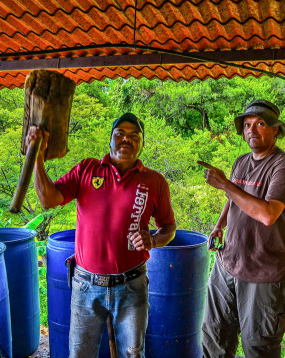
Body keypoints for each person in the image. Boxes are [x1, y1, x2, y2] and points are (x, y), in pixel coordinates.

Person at [28, 113, 176, 358]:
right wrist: (37, 157)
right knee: (80, 354)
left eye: (133, 136)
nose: (125, 140)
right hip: (86, 286)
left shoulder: (154, 182)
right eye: (119, 134)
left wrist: (155, 239)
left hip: (132, 285)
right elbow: (48, 198)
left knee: (133, 353)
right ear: (110, 141)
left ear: (142, 144)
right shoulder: (87, 169)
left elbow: (169, 228)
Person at [199, 100, 285, 358]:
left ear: (275, 130)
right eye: (247, 125)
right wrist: (220, 224)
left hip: (264, 274)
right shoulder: (241, 162)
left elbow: (268, 214)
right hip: (227, 265)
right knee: (214, 338)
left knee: (259, 348)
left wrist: (224, 184)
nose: (252, 130)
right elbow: (234, 198)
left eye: (260, 124)